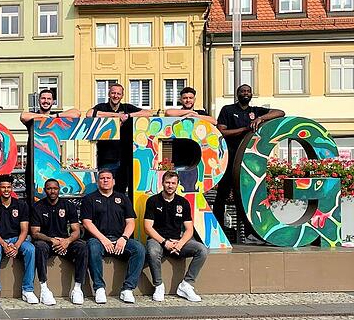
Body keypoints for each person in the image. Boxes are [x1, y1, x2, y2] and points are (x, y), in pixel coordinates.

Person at [214, 84, 285, 237]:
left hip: (248, 162)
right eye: (242, 91)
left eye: (248, 91)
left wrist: (261, 118)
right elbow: (221, 131)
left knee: (248, 196)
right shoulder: (228, 110)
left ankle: (249, 232)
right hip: (229, 158)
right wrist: (244, 130)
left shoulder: (256, 111)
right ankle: (217, 229)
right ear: (237, 94)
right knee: (222, 194)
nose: (245, 93)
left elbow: (280, 112)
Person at [81, 169, 145, 304]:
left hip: (120, 239)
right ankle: (99, 288)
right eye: (102, 178)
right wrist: (103, 239)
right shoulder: (89, 199)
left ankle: (127, 289)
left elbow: (130, 222)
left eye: (108, 178)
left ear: (113, 181)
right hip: (98, 240)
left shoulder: (123, 198)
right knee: (92, 247)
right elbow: (87, 223)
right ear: (97, 182)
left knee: (139, 249)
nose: (105, 180)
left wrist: (124, 238)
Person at [144, 171, 209, 302]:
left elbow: (189, 229)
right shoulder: (152, 201)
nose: (170, 185)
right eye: (167, 182)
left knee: (202, 250)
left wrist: (180, 243)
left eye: (173, 183)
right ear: (162, 183)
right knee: (152, 250)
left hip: (177, 241)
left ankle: (186, 285)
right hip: (158, 240)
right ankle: (158, 285)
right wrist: (164, 242)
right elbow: (147, 228)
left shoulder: (183, 202)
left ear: (177, 185)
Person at [30, 179, 86, 306]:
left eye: (55, 188)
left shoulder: (68, 205)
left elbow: (76, 230)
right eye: (49, 189)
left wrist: (67, 241)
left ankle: (77, 289)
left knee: (82, 246)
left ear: (59, 189)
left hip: (64, 242)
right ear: (45, 190)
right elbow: (35, 233)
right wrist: (51, 240)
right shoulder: (37, 207)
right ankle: (44, 289)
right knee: (39, 246)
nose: (52, 191)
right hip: (47, 242)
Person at [90, 83, 153, 196]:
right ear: (109, 94)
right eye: (113, 93)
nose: (115, 96)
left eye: (118, 93)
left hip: (126, 158)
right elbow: (89, 114)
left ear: (122, 95)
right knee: (105, 191)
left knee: (122, 192)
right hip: (107, 158)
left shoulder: (127, 108)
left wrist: (128, 115)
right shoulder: (102, 107)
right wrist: (115, 116)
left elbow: (149, 113)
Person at [0, 174, 38, 306]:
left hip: (16, 239)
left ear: (12, 188)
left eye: (8, 187)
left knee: (30, 249)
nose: (6, 190)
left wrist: (16, 246)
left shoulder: (21, 205)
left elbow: (25, 229)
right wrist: (4, 245)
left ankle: (28, 290)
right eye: (3, 187)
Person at [165, 87, 217, 172]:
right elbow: (168, 112)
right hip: (176, 152)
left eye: (190, 98)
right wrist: (189, 113)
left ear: (194, 99)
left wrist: (195, 116)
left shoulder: (201, 113)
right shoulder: (177, 113)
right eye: (185, 98)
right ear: (180, 100)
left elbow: (214, 121)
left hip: (193, 154)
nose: (188, 100)